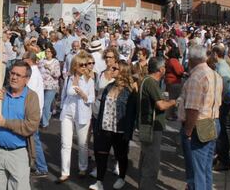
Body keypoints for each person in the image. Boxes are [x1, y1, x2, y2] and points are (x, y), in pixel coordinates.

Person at [0, 61, 40, 190]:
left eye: (18, 75)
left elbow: (31, 126)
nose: (14, 77)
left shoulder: (31, 97)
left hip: (18, 154)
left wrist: (6, 123)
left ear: (27, 79)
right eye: (12, 73)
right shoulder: (2, 92)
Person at [178, 45, 222, 190]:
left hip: (200, 125)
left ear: (191, 59)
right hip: (213, 121)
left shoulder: (196, 77)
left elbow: (193, 109)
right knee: (205, 167)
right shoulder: (215, 75)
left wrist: (188, 131)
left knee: (196, 170)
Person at [89, 61, 138, 190]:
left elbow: (132, 114)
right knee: (101, 154)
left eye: (115, 68)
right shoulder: (108, 87)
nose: (111, 69)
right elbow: (102, 108)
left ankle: (121, 177)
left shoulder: (130, 91)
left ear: (122, 71)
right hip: (105, 127)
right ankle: (99, 182)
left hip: (120, 130)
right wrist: (98, 126)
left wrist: (129, 132)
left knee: (121, 156)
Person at [138, 57, 176, 189]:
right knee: (151, 162)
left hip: (147, 124)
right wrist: (173, 102)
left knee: (146, 159)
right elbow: (160, 105)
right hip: (152, 126)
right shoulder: (151, 83)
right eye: (164, 67)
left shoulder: (147, 81)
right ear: (160, 69)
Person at [58, 51, 95, 183]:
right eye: (82, 65)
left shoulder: (89, 79)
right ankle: (64, 172)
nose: (85, 67)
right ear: (75, 66)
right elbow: (63, 94)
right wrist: (62, 107)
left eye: (86, 65)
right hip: (67, 113)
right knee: (65, 144)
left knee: (82, 144)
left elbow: (92, 98)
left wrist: (84, 95)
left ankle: (83, 167)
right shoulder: (68, 78)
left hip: (82, 114)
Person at [211, 45, 230, 171]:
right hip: (222, 103)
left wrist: (221, 99)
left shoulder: (222, 68)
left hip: (222, 104)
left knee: (221, 133)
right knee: (220, 132)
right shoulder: (222, 66)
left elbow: (226, 87)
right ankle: (220, 158)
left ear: (215, 54)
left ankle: (224, 161)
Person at [38, 44, 61, 128]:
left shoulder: (55, 62)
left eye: (48, 52)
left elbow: (57, 74)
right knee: (41, 104)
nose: (47, 53)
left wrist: (49, 68)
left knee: (46, 104)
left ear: (52, 53)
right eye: (46, 51)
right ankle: (45, 118)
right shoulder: (42, 61)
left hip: (51, 86)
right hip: (42, 85)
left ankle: (45, 123)